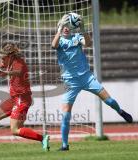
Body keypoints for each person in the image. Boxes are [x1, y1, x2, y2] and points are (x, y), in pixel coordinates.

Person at [51, 14, 133, 151]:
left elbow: (88, 43)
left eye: (68, 26)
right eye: (63, 26)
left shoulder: (77, 38)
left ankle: (120, 111)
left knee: (109, 100)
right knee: (66, 114)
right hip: (70, 83)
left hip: (87, 78)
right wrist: (59, 30)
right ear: (60, 27)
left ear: (72, 27)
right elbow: (53, 45)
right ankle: (65, 145)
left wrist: (83, 28)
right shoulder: (59, 41)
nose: (66, 28)